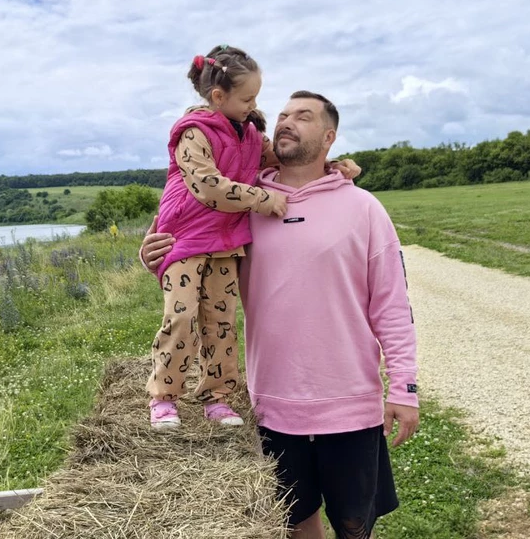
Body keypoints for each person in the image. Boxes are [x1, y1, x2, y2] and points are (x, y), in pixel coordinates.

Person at [142, 91, 419, 539]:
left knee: (354, 525)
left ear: (329, 137)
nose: (286, 122)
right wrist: (152, 253)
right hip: (273, 407)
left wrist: (404, 387)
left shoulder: (364, 207)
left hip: (350, 406)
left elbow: (391, 304)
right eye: (284, 115)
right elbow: (188, 235)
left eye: (303, 116)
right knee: (293, 525)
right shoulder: (244, 205)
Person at [146, 44, 287, 429]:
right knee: (182, 316)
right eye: (248, 97)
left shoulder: (252, 134)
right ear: (218, 96)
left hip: (226, 243)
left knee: (221, 321)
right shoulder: (193, 133)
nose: (254, 104)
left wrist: (333, 166)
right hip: (184, 239)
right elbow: (208, 187)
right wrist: (262, 198)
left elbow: (283, 160)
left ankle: (218, 398)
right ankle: (163, 398)